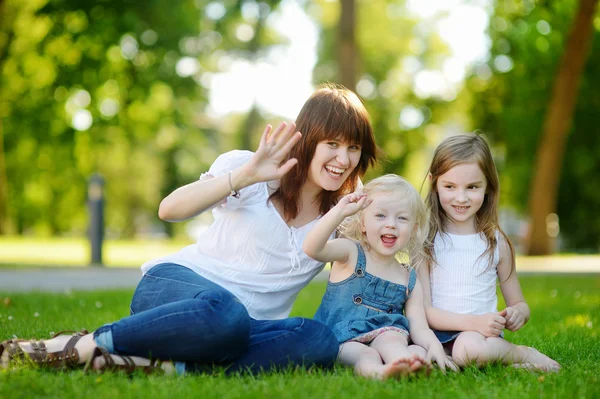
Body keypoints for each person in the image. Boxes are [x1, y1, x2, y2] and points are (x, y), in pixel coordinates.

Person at [0, 84, 379, 375]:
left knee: (319, 340)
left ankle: (151, 363)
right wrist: (244, 176)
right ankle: (84, 345)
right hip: (177, 290)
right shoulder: (250, 167)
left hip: (247, 326)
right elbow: (169, 209)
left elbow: (374, 268)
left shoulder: (345, 213)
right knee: (226, 314)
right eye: (332, 144)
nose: (343, 159)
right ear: (309, 139)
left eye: (354, 148)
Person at [417, 133, 560, 372]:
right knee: (416, 356)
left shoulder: (495, 242)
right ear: (434, 183)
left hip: (481, 337)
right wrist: (475, 322)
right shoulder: (426, 240)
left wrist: (516, 314)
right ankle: (510, 365)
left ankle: (522, 353)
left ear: (488, 187)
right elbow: (427, 313)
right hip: (436, 335)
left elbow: (520, 304)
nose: (461, 197)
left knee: (467, 351)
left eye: (472, 187)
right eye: (450, 186)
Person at [302, 174, 457, 380]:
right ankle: (382, 371)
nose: (391, 224)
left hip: (389, 337)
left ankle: (405, 362)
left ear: (413, 229)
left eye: (402, 218)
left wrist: (434, 346)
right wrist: (339, 212)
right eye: (381, 216)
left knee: (401, 342)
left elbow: (418, 326)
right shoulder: (350, 253)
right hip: (343, 340)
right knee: (368, 354)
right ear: (363, 223)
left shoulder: (408, 277)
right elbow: (312, 248)